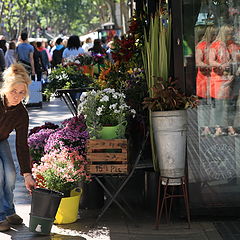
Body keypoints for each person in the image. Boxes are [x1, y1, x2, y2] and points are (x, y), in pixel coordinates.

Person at [0, 63, 36, 231]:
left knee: (11, 174)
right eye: (14, 91)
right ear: (6, 88)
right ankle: (1, 216)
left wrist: (27, 174)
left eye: (21, 92)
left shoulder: (21, 113)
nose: (17, 96)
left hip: (1, 140)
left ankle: (8, 210)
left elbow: (22, 144)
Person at [195, 25, 218, 136]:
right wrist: (209, 66)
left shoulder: (216, 45)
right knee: (204, 104)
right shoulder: (201, 46)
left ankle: (213, 126)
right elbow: (198, 62)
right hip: (203, 79)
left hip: (213, 79)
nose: (215, 36)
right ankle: (205, 126)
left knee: (214, 104)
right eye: (213, 34)